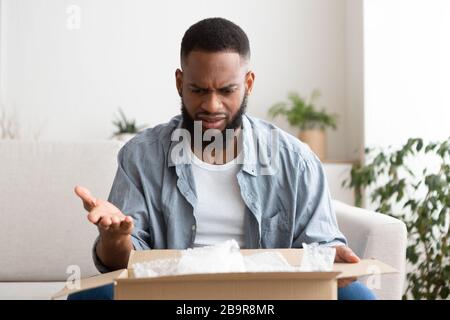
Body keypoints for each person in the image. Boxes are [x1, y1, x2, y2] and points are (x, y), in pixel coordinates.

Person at [70, 17, 376, 300]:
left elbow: (321, 245)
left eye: (227, 90)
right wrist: (114, 238)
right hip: (176, 295)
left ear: (249, 84)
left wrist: (331, 255)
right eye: (198, 90)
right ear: (180, 83)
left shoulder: (295, 160)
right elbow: (119, 265)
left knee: (359, 297)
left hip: (267, 296)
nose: (211, 104)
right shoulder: (140, 156)